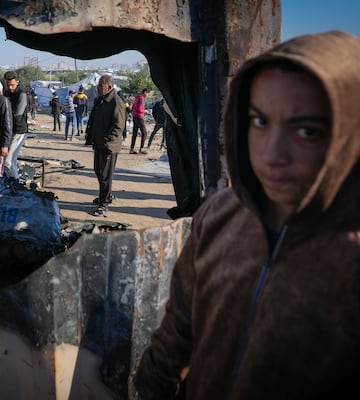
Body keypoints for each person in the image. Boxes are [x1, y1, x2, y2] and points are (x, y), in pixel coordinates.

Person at [134, 30, 360, 400]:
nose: (272, 155)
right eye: (260, 121)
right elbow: (176, 332)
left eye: (307, 131)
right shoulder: (221, 215)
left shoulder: (352, 259)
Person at [85, 74, 126, 217]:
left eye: (100, 86)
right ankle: (105, 197)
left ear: (109, 87)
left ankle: (104, 204)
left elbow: (118, 126)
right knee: (98, 171)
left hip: (108, 146)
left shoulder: (116, 102)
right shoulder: (101, 100)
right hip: (98, 144)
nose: (97, 88)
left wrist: (106, 139)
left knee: (105, 176)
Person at [3, 70, 29, 178]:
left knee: (8, 162)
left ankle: (14, 183)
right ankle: (15, 183)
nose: (10, 87)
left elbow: (17, 115)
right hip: (9, 131)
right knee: (11, 160)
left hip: (19, 131)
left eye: (12, 85)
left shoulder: (22, 94)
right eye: (8, 85)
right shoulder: (6, 93)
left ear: (17, 82)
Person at [129, 88, 149, 154]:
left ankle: (131, 149)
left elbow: (133, 107)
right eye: (148, 93)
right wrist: (145, 111)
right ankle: (141, 149)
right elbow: (140, 109)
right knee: (144, 133)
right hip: (139, 117)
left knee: (134, 133)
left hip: (135, 116)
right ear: (145, 92)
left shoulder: (137, 97)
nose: (148, 95)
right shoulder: (141, 99)